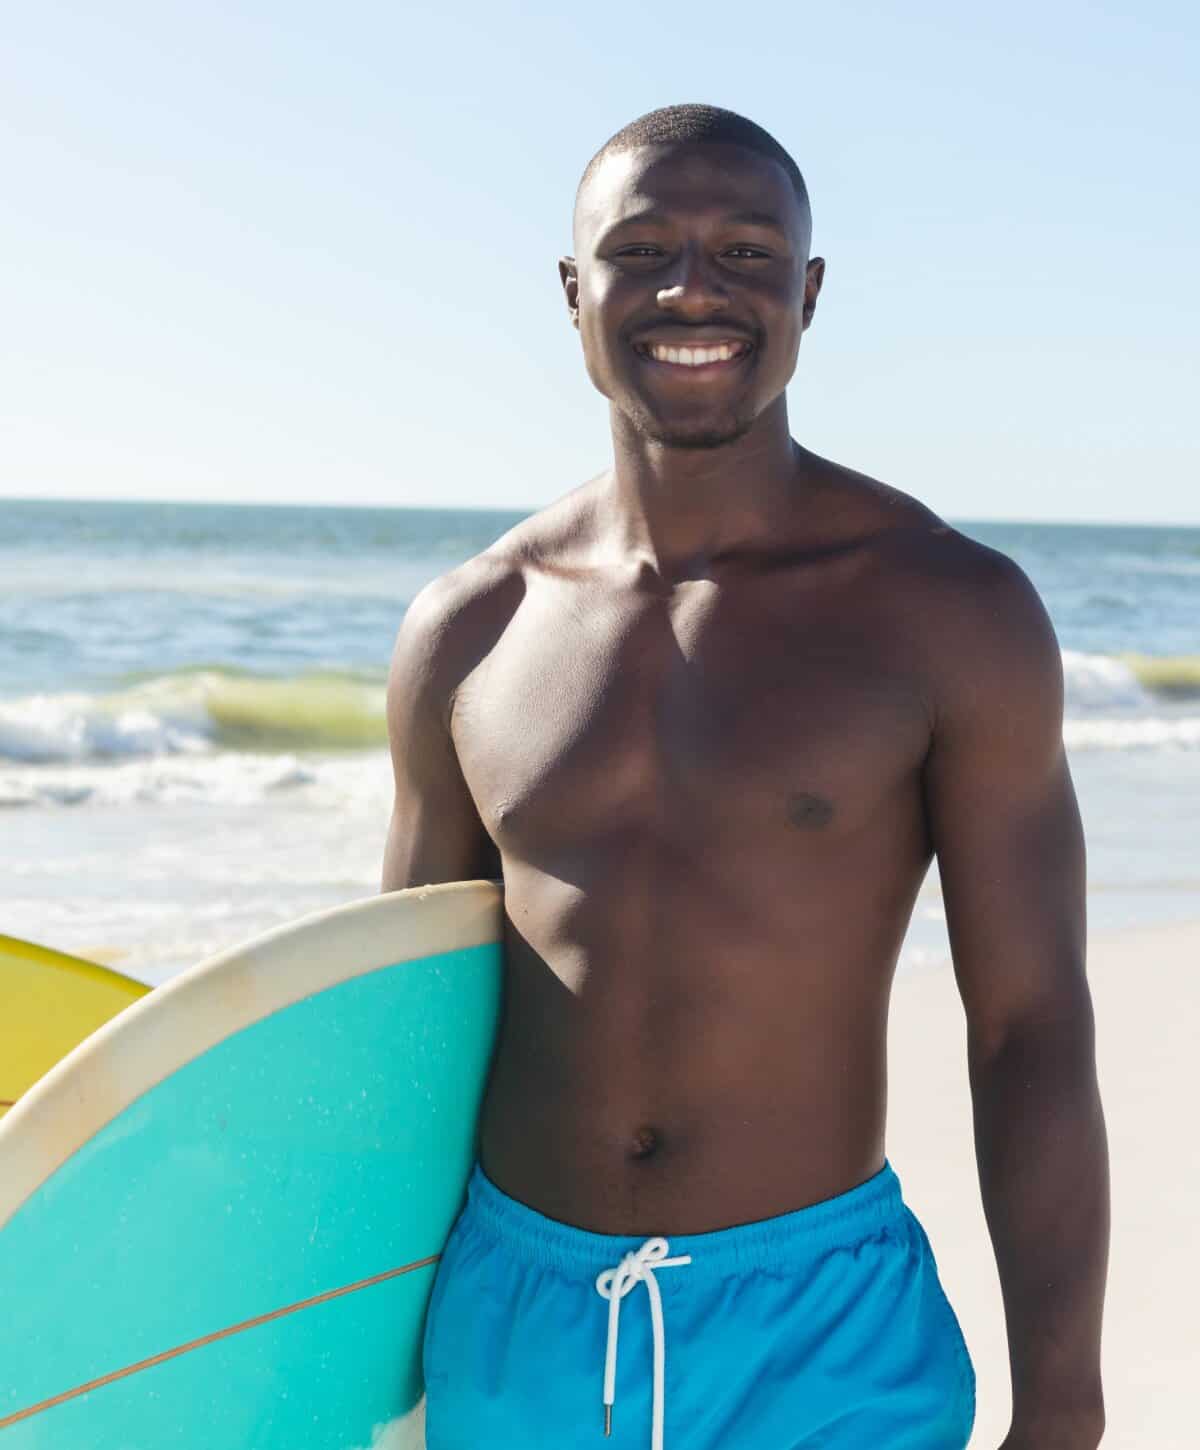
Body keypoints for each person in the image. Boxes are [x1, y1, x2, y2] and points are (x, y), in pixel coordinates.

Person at [381, 104, 1109, 1450]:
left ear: (810, 292)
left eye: (747, 253)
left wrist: (1062, 1403)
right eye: (642, 250)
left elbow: (1030, 1027)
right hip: (511, 1323)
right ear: (572, 292)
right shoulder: (468, 632)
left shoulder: (946, 612)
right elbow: (403, 1041)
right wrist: (336, 1364)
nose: (691, 291)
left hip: (824, 1337)